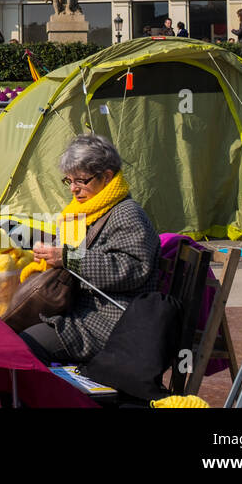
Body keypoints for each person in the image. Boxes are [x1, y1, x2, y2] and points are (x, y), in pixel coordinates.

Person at [23, 134, 159, 365]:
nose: (73, 189)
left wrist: (67, 257)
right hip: (83, 310)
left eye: (81, 181)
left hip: (111, 319)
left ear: (106, 176)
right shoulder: (90, 210)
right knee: (14, 334)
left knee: (25, 347)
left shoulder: (127, 213)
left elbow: (132, 270)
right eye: (69, 181)